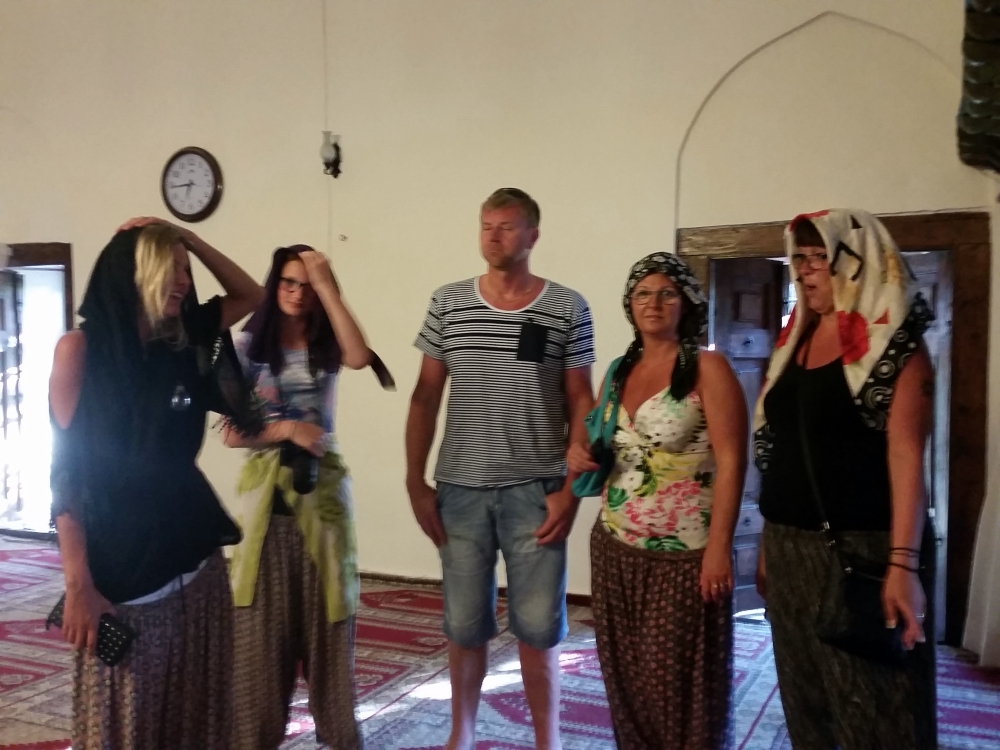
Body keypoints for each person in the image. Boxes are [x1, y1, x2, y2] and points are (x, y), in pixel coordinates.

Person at [48, 218, 264, 749]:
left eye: (186, 270)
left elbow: (250, 294)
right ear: (135, 271)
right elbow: (68, 474)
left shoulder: (182, 341)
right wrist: (78, 585)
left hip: (194, 560)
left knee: (196, 712)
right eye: (171, 268)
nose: (184, 281)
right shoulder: (80, 350)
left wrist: (186, 237)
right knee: (125, 720)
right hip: (123, 566)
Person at [405, 188, 595, 750]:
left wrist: (571, 490)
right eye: (486, 225)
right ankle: (460, 733)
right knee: (464, 624)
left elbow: (581, 400)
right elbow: (425, 395)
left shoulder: (566, 307)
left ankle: (547, 740)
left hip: (537, 490)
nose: (494, 235)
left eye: (507, 226)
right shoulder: (448, 303)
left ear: (533, 235)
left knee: (538, 626)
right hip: (460, 488)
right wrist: (415, 482)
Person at [753, 209, 937, 748]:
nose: (806, 270)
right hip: (790, 549)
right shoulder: (794, 343)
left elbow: (907, 456)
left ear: (858, 263)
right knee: (806, 700)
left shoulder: (895, 347)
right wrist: (767, 542)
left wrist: (903, 565)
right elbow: (783, 451)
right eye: (801, 258)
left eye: (821, 258)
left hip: (864, 551)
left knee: (877, 707)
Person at [567, 252, 746, 749]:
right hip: (615, 545)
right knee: (626, 677)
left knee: (678, 684)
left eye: (667, 293)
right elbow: (601, 445)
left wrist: (719, 549)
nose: (653, 302)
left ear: (686, 303)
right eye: (642, 293)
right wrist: (579, 452)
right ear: (630, 304)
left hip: (685, 556)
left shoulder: (709, 367)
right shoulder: (618, 370)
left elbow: (733, 461)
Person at [222, 245, 392, 750]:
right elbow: (231, 433)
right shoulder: (247, 347)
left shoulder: (326, 345)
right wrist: (287, 429)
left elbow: (359, 356)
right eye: (289, 283)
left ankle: (339, 738)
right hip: (265, 513)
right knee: (261, 642)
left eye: (307, 285)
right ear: (274, 286)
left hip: (324, 507)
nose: (298, 293)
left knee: (329, 634)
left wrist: (326, 281)